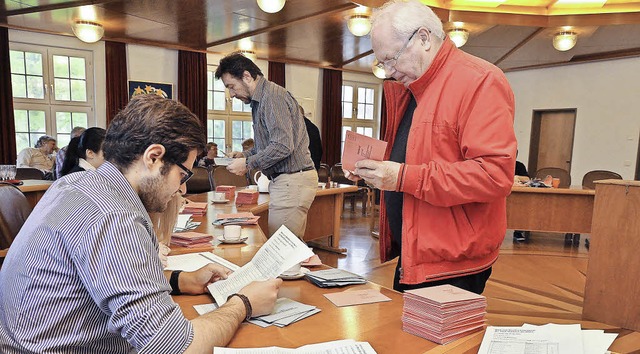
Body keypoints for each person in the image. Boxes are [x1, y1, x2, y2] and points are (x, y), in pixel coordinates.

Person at [0, 95, 281, 353]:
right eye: (182, 175)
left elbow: (103, 280)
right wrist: (242, 304)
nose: (181, 189)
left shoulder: (75, 184)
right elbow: (174, 348)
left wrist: (179, 280)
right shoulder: (114, 216)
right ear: (154, 157)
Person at [347, 0, 516, 294]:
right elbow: (417, 156)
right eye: (382, 63)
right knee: (407, 339)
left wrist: (400, 177)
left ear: (423, 38)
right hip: (416, 251)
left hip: (453, 259)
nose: (388, 71)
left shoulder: (480, 80)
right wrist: (377, 171)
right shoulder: (413, 86)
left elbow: (493, 175)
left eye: (392, 59)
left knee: (439, 342)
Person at [216, 53, 318, 239]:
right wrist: (244, 156)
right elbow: (268, 145)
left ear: (246, 76)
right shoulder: (261, 100)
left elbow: (282, 146)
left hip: (292, 180)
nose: (231, 94)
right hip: (288, 181)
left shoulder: (272, 97)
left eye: (231, 86)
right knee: (287, 247)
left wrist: (248, 164)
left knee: (283, 249)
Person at [513, 154, 530, 242]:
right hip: (501, 193)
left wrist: (517, 177)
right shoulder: (499, 164)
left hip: (517, 194)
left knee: (521, 208)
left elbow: (527, 179)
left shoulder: (519, 165)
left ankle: (518, 231)